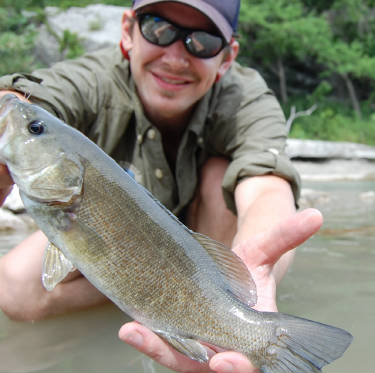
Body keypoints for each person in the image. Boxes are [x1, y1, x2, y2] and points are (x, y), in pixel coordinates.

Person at [0, 1, 324, 372]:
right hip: (117, 230)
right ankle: (149, 301)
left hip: (205, 239)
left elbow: (267, 188)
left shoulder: (247, 97)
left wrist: (253, 281)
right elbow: (28, 99)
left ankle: (206, 315)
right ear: (128, 30)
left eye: (201, 41)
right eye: (158, 28)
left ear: (228, 56)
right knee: (15, 288)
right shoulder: (95, 76)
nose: (175, 57)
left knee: (222, 176)